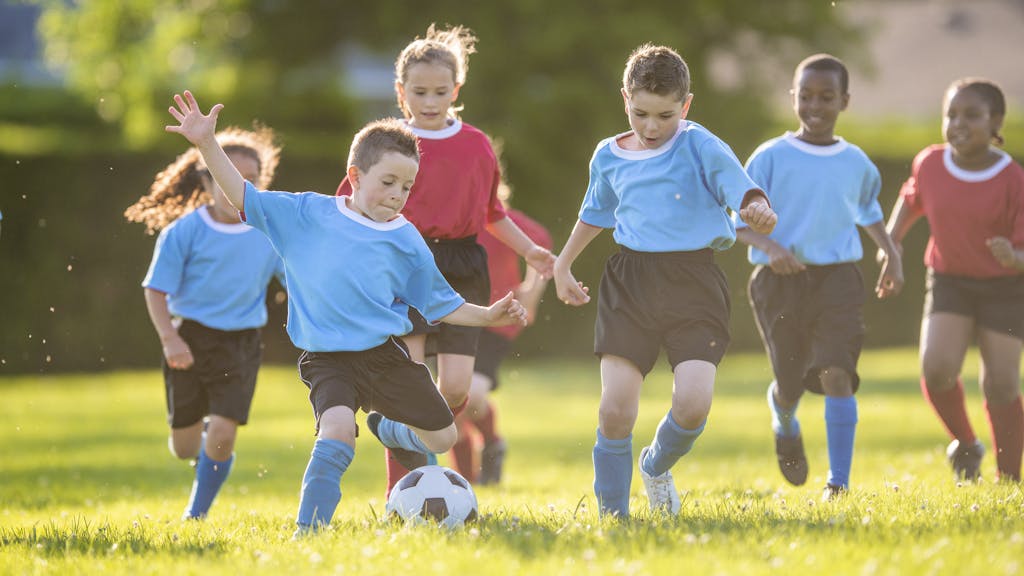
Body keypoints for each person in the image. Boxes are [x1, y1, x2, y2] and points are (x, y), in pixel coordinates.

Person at [165, 91, 528, 534]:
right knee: (336, 432)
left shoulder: (406, 238)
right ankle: (308, 532)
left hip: (385, 356)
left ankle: (391, 430)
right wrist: (206, 143)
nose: (398, 195)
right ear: (355, 176)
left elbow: (441, 304)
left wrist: (489, 316)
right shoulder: (306, 214)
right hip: (328, 360)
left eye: (407, 187)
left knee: (444, 436)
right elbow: (243, 194)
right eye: (388, 182)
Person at [553, 44, 777, 517]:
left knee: (693, 405)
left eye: (665, 115)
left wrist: (756, 206)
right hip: (630, 283)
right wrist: (562, 264)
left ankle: (655, 466)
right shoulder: (608, 156)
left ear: (686, 105)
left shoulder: (700, 144)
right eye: (641, 114)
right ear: (625, 99)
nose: (652, 127)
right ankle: (613, 517)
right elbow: (595, 213)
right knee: (615, 409)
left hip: (694, 281)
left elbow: (740, 189)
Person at [336, 24, 555, 494]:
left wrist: (529, 250)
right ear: (401, 92)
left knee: (456, 389)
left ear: (456, 89)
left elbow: (493, 212)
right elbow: (349, 203)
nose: (430, 101)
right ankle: (406, 491)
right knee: (409, 384)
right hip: (402, 263)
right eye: (419, 91)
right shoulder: (384, 143)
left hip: (461, 267)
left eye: (440, 91)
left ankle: (402, 434)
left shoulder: (476, 145)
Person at [735, 54, 904, 501]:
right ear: (793, 98)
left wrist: (892, 254)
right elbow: (734, 220)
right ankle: (783, 417)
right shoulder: (770, 156)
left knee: (837, 373)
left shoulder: (858, 163)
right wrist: (771, 249)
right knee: (791, 384)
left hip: (839, 281)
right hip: (778, 283)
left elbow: (869, 214)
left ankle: (839, 484)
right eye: (806, 96)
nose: (815, 105)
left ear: (844, 101)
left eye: (826, 97)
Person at [125, 125, 286, 520]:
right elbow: (155, 291)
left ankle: (196, 514)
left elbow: (298, 281)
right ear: (208, 179)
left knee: (224, 433)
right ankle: (205, 447)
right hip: (190, 341)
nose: (237, 187)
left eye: (250, 180)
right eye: (229, 176)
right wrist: (170, 340)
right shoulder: (184, 232)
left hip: (241, 344)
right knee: (184, 447)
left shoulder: (270, 233)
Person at [885, 77, 1024, 483]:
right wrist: (891, 245)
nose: (958, 123)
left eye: (972, 115)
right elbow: (911, 200)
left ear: (996, 121)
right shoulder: (930, 163)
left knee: (1000, 385)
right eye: (951, 114)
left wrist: (1013, 255)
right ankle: (966, 442)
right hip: (949, 281)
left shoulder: (1013, 178)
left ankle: (1009, 477)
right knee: (937, 369)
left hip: (1004, 287)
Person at [448, 175, 553, 485]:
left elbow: (542, 242)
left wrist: (531, 294)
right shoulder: (449, 223)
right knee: (450, 403)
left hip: (498, 320)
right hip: (457, 317)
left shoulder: (503, 222)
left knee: (474, 396)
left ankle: (491, 442)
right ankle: (465, 482)